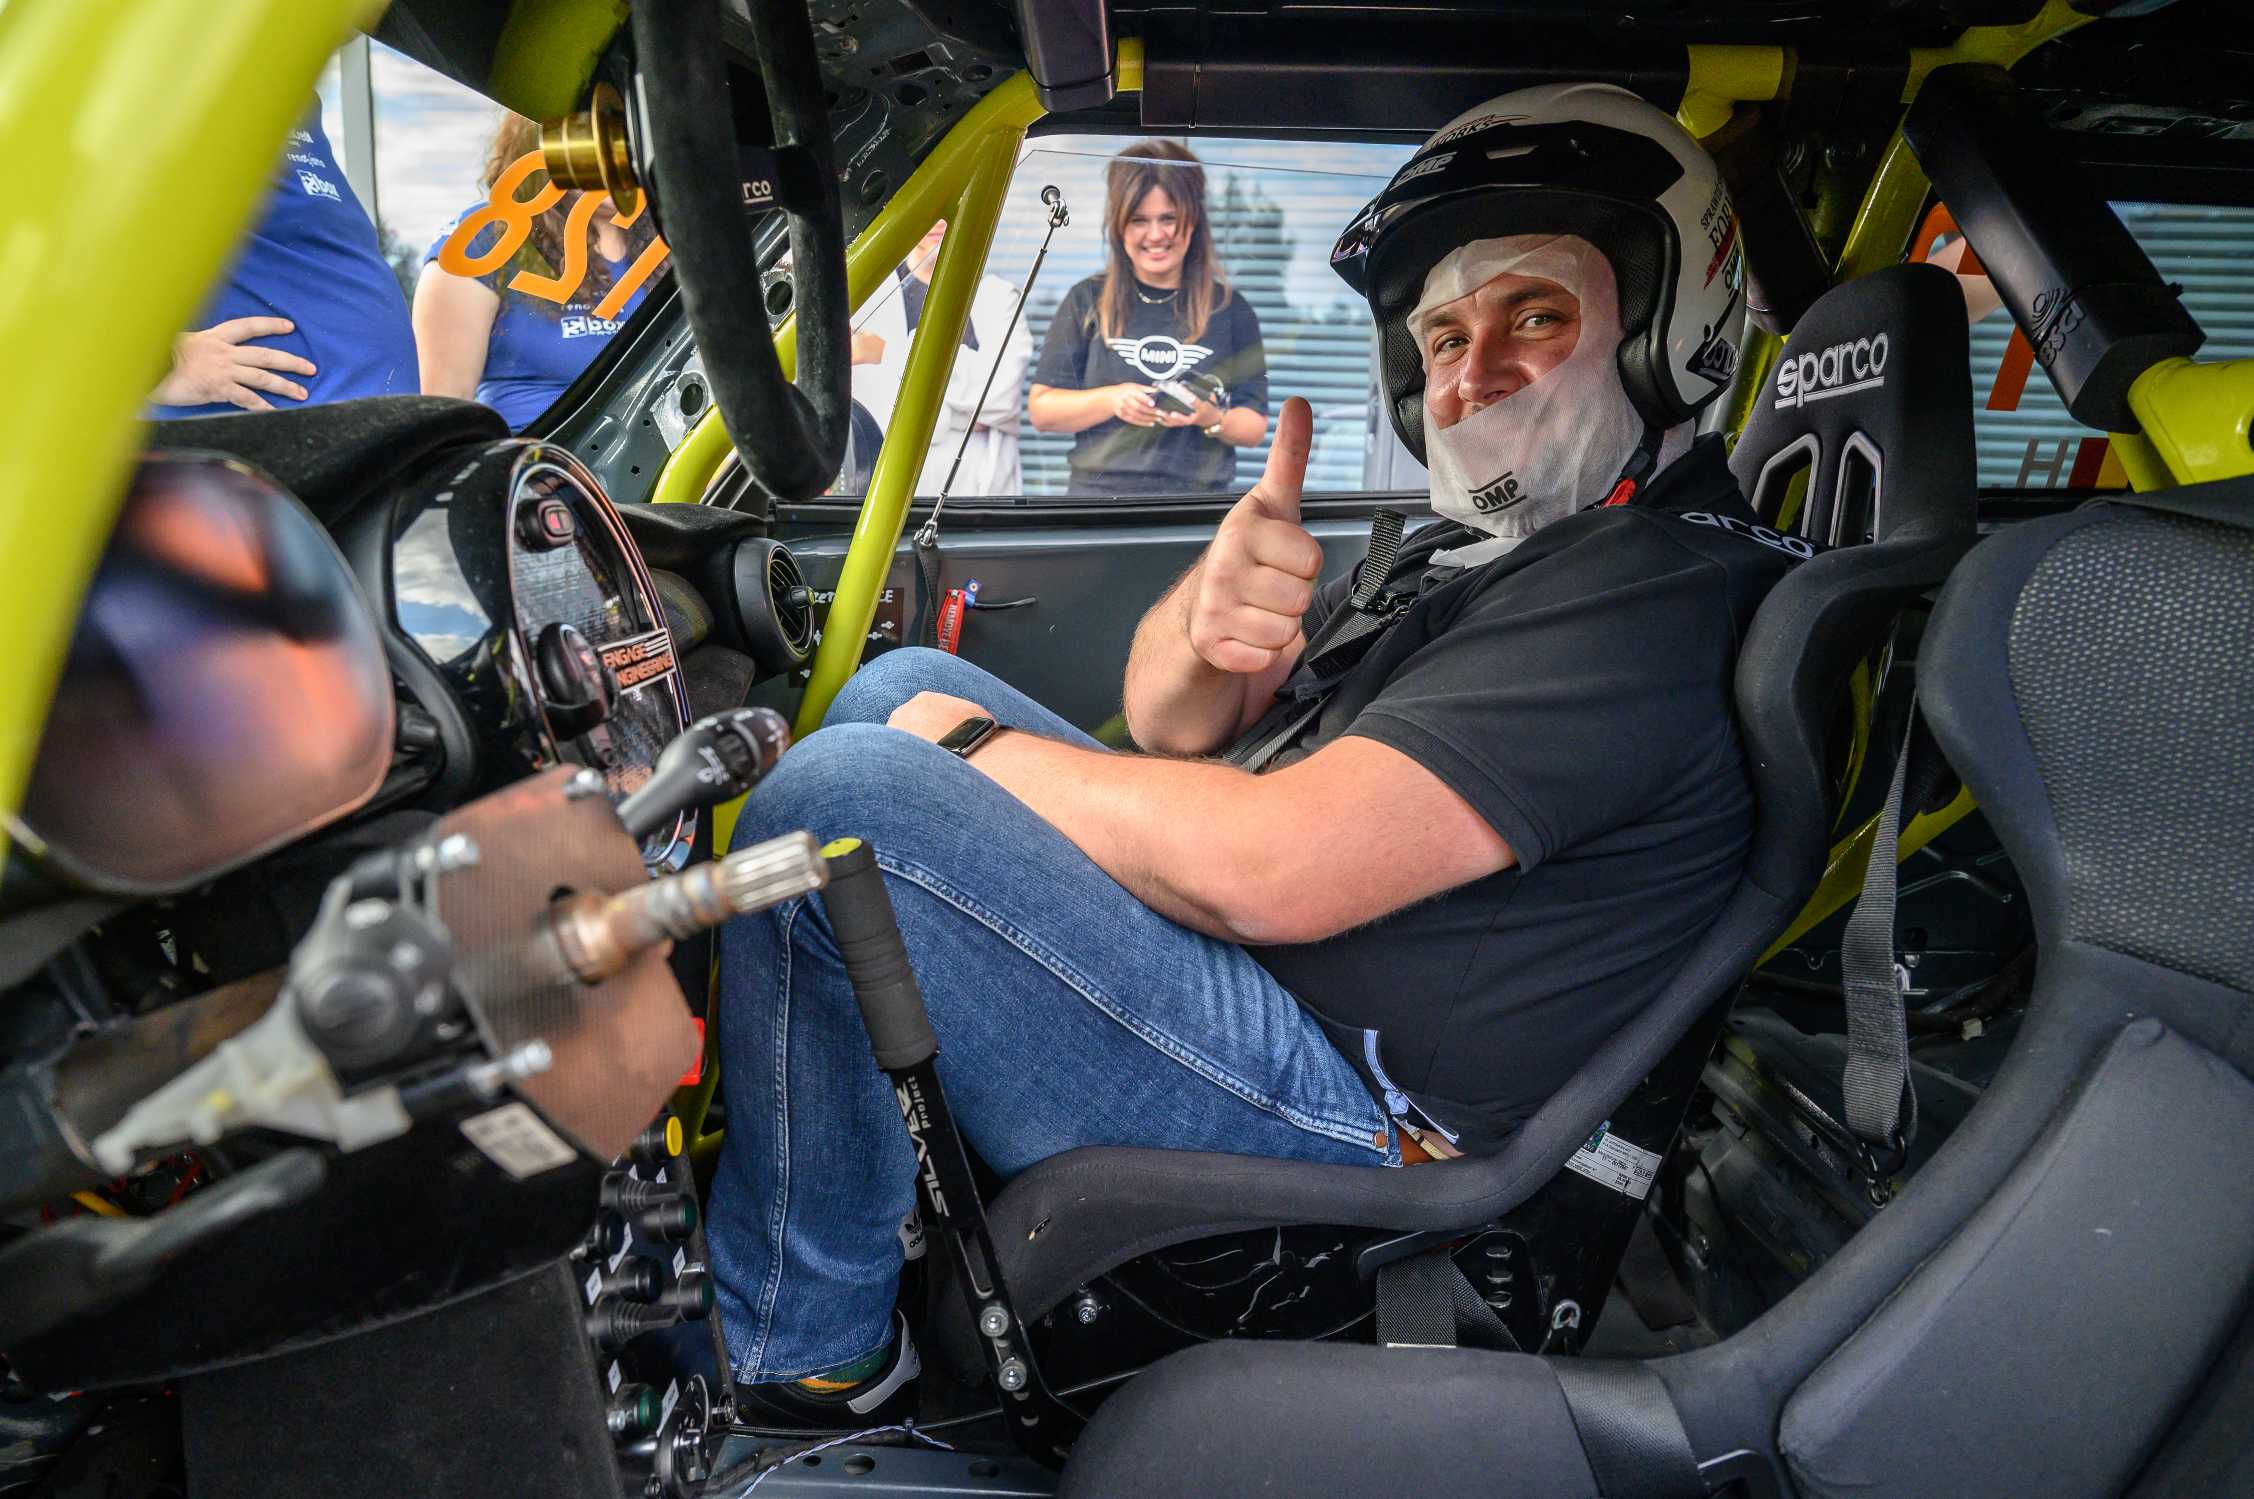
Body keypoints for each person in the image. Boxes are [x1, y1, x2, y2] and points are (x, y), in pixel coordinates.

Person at [708, 83, 1787, 1424]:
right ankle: (854, 1215)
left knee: (836, 808)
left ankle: (801, 1362)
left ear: (1668, 329)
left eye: (1534, 317)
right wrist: (1202, 630)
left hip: (1357, 1141)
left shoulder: (1640, 593)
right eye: (1443, 336)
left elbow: (1272, 869)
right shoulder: (1495, 556)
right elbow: (1175, 730)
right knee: (897, 685)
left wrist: (970, 747)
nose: (1469, 375)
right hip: (1275, 1006)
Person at [1026, 142, 1269, 496]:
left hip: (1197, 507)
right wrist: (1113, 399)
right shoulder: (1087, 299)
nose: (1155, 235)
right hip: (1097, 504)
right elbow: (1042, 410)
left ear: (1192, 221)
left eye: (1168, 218)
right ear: (1119, 226)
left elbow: (1254, 426)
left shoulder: (1231, 308)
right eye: (1139, 220)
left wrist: (1210, 417)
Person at [151, 108, 416, 418]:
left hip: (362, 423)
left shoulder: (280, 101)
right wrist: (167, 362)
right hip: (271, 428)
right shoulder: (163, 94)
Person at [412, 114, 659, 431]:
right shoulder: (486, 237)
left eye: (624, 139)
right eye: (592, 141)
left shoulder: (667, 237)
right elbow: (442, 415)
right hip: (541, 454)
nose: (616, 157)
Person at [841, 218, 1034, 496]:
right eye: (932, 211)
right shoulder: (868, 298)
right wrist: (967, 414)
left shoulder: (999, 297)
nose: (940, 222)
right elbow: (878, 410)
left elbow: (1001, 395)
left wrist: (885, 352)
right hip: (891, 493)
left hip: (980, 499)